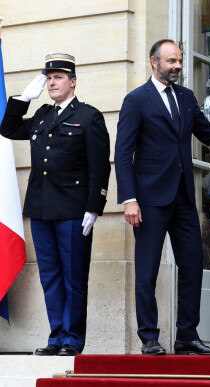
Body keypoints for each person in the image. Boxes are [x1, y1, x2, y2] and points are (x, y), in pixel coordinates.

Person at [115, 39, 210, 356]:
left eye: (180, 61)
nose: (177, 66)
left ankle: (187, 336)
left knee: (193, 264)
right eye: (172, 61)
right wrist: (129, 198)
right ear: (153, 62)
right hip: (148, 200)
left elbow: (208, 134)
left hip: (184, 199)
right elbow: (122, 152)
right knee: (146, 270)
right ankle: (149, 338)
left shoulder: (186, 97)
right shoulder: (136, 100)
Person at [0, 53, 111, 356]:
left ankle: (73, 339)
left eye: (58, 77)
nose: (51, 82)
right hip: (41, 208)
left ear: (73, 81)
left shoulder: (89, 116)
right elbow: (7, 129)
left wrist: (94, 206)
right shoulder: (41, 115)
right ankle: (56, 337)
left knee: (74, 278)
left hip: (74, 210)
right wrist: (23, 98)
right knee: (50, 278)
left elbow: (100, 166)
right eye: (49, 78)